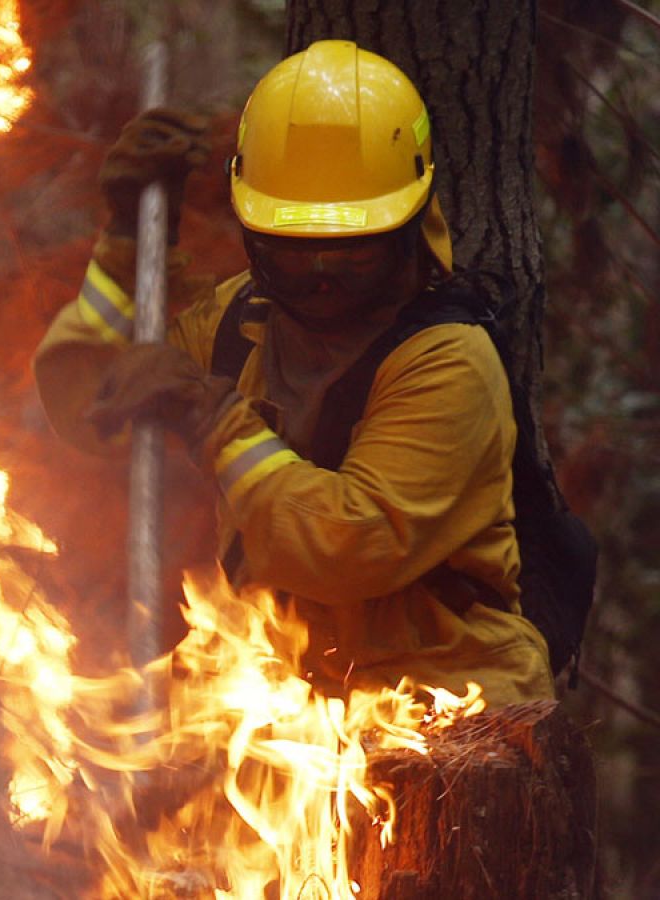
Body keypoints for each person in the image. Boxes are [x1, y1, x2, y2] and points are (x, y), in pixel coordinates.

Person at [34, 39, 553, 705]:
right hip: (279, 699)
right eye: (293, 251)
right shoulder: (236, 324)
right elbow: (89, 404)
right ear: (254, 234)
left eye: (352, 251)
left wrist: (212, 419)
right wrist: (128, 242)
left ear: (409, 227)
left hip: (443, 701)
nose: (321, 275)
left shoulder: (448, 361)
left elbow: (348, 546)